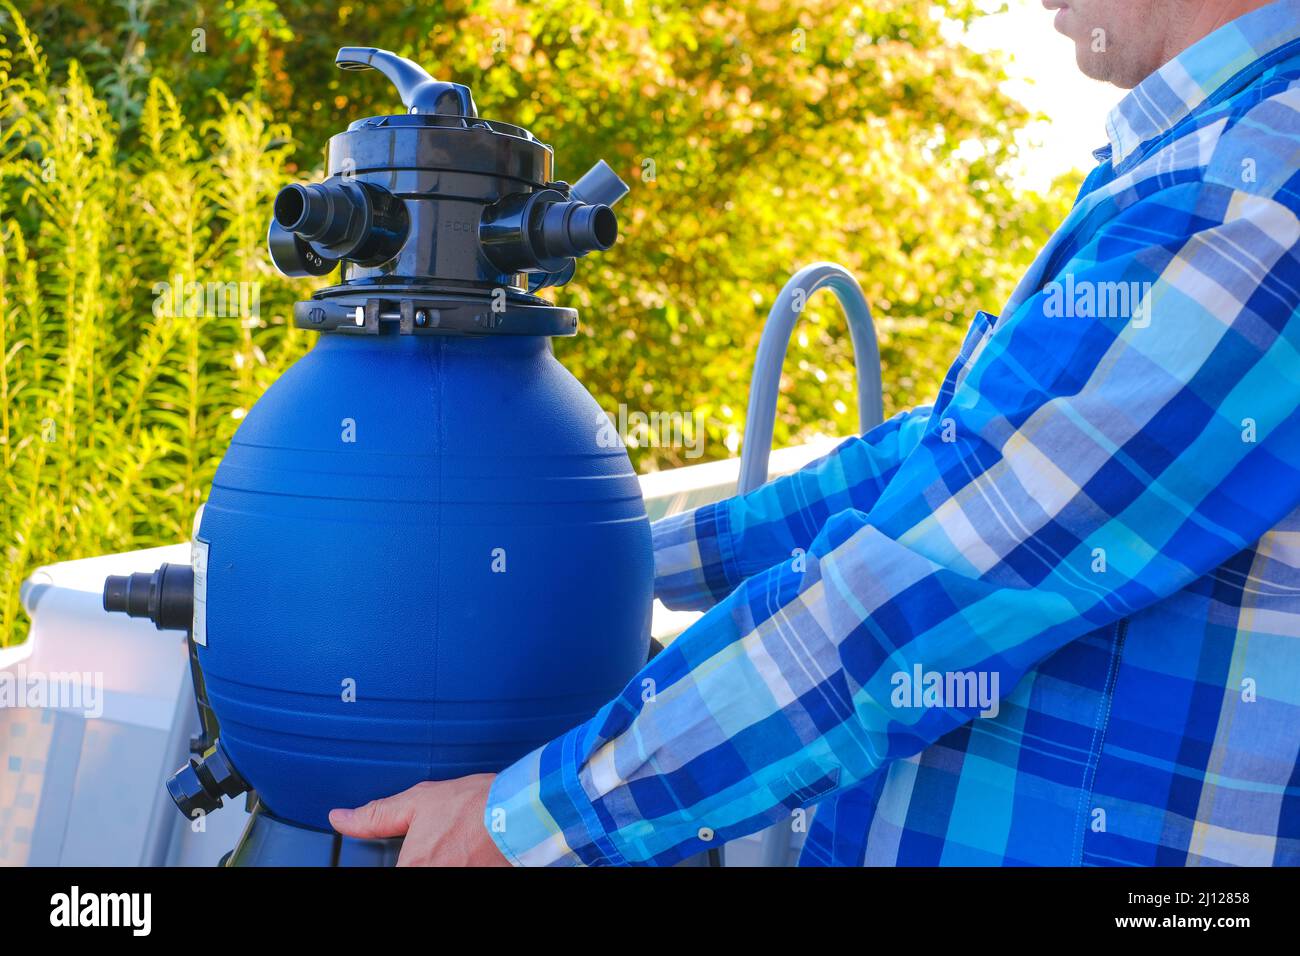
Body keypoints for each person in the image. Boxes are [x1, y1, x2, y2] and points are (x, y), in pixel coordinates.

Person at [330, 0, 1300, 866]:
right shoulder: (1195, 164)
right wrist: (607, 561)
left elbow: (920, 589)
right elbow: (947, 460)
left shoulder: (1249, 195)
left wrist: (532, 821)